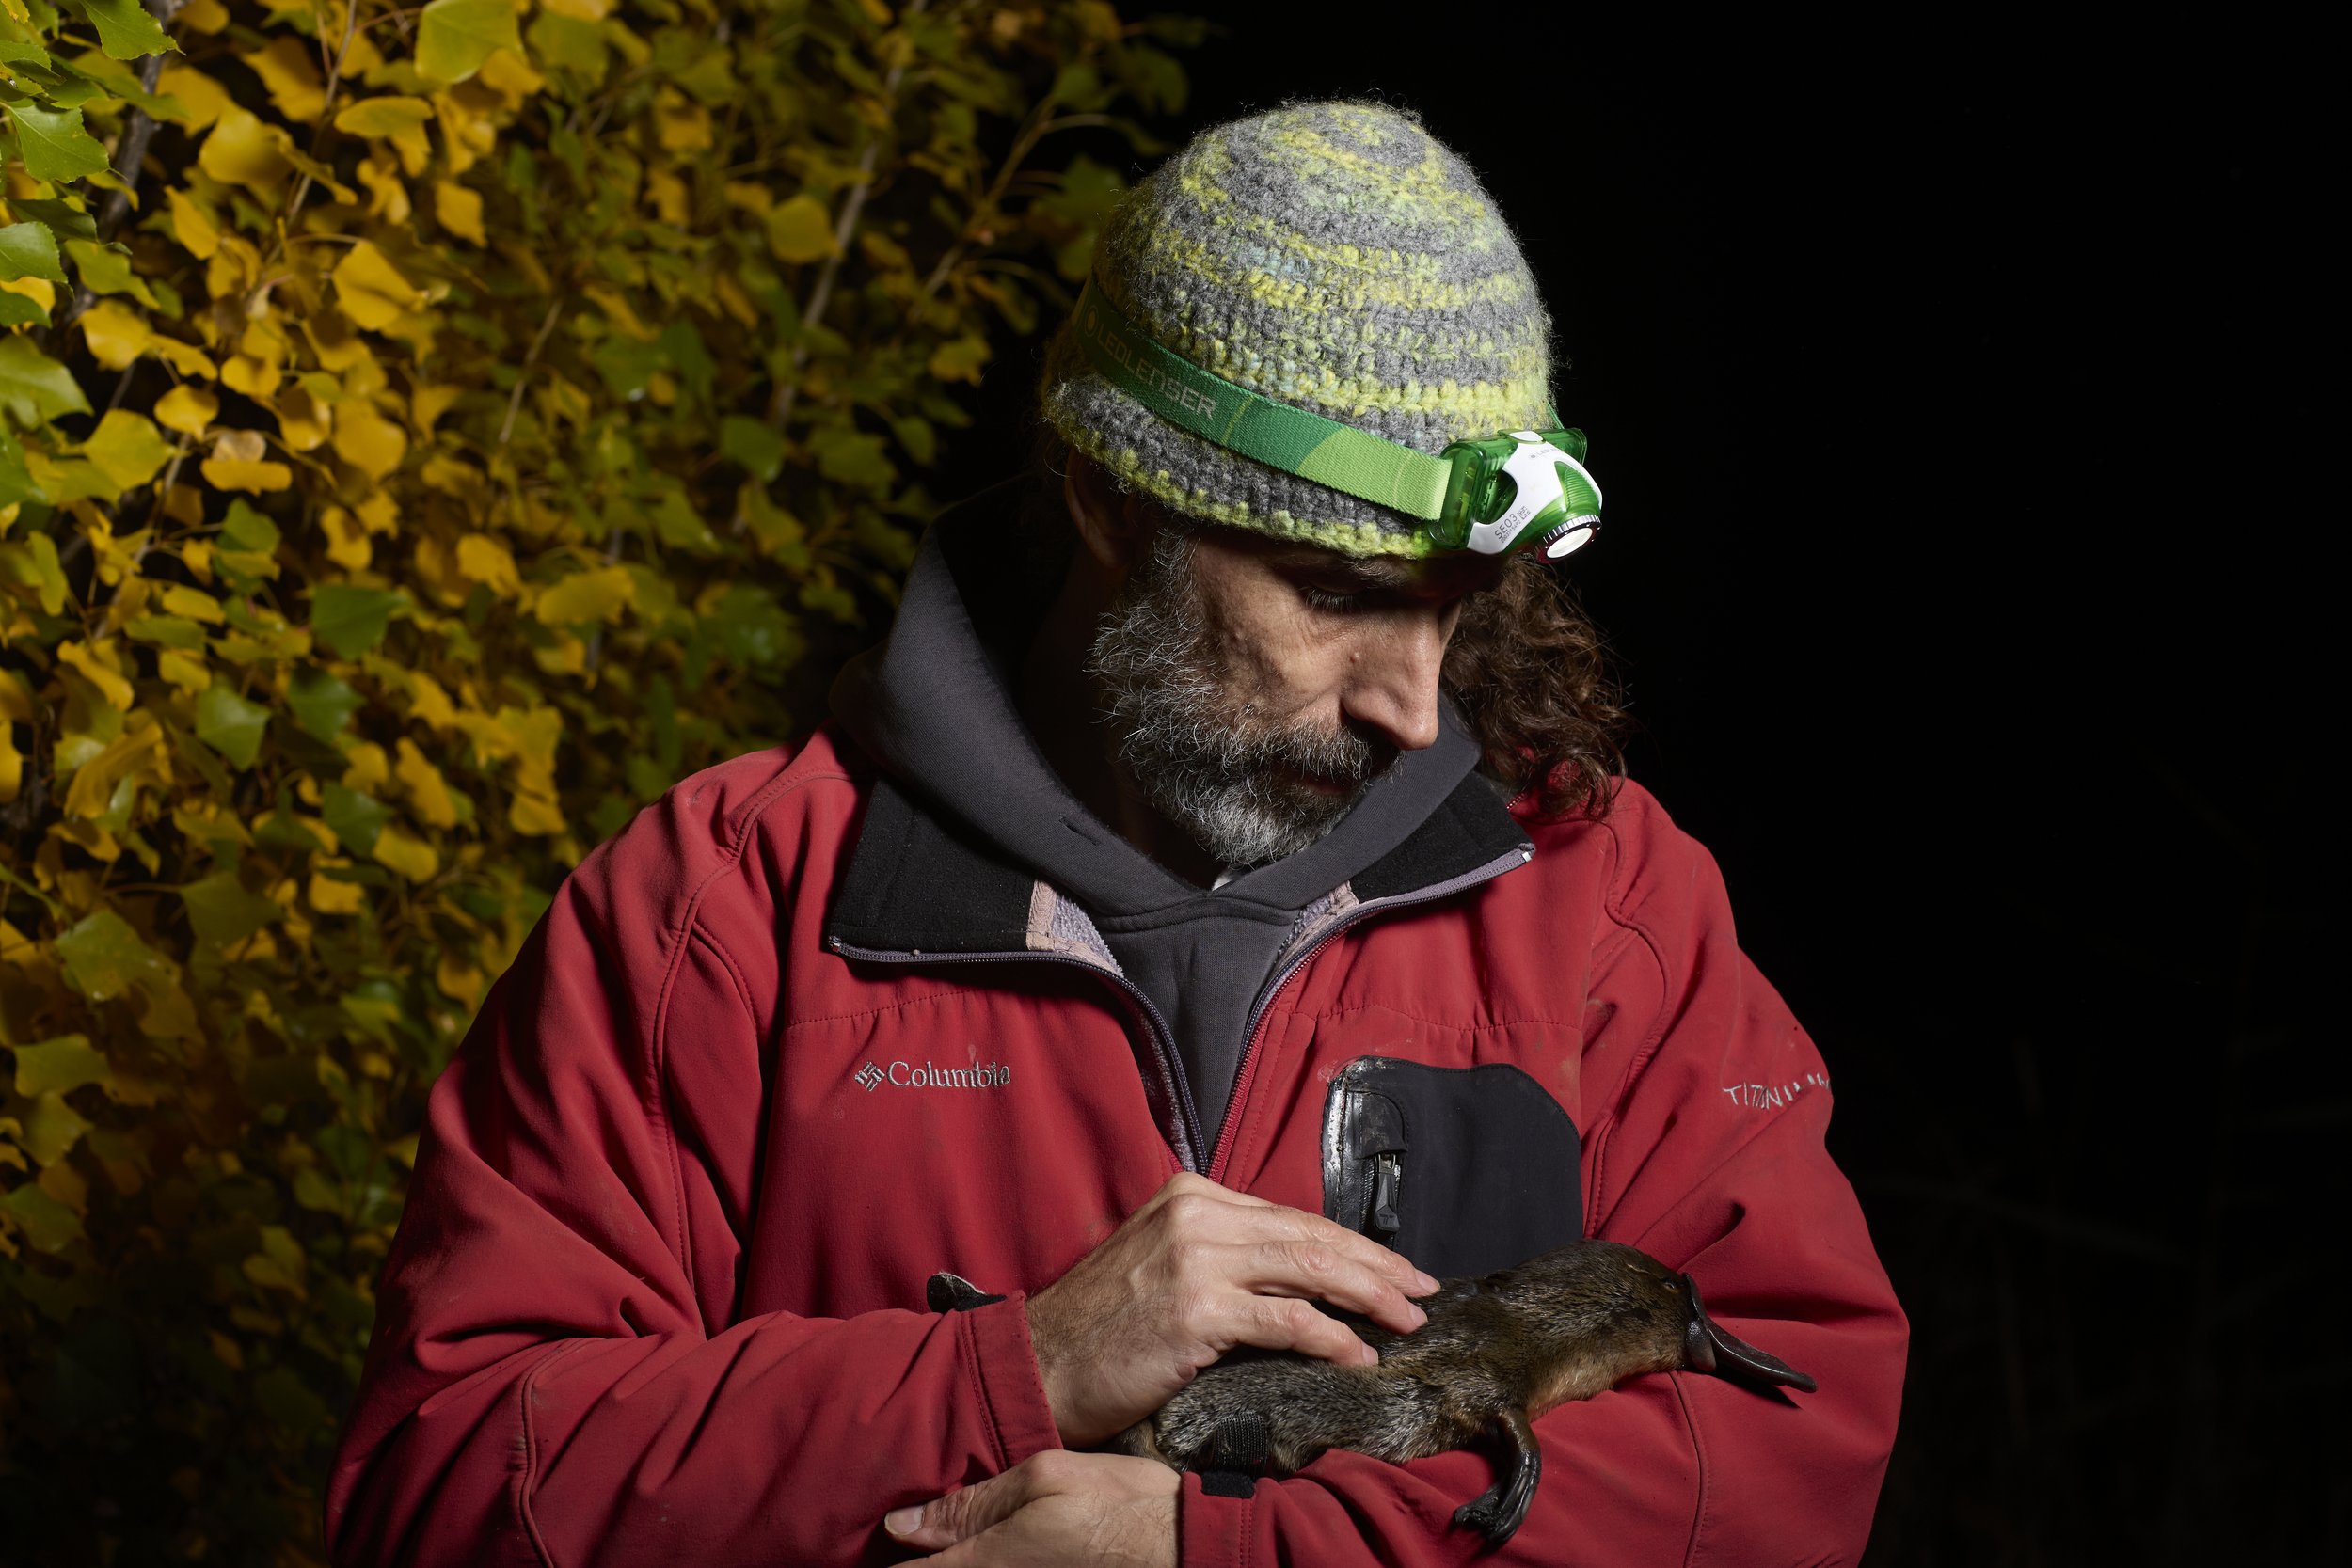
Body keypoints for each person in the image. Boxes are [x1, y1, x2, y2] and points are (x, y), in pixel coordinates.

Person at [327, 100, 1905, 1566]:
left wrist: (1229, 1551)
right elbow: (442, 1486)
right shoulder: (718, 911)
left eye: (1454, 610)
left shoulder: (1605, 907)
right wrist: (1013, 1369)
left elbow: (1794, 1439)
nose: (1417, 711)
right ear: (1109, 501)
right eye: (1341, 597)